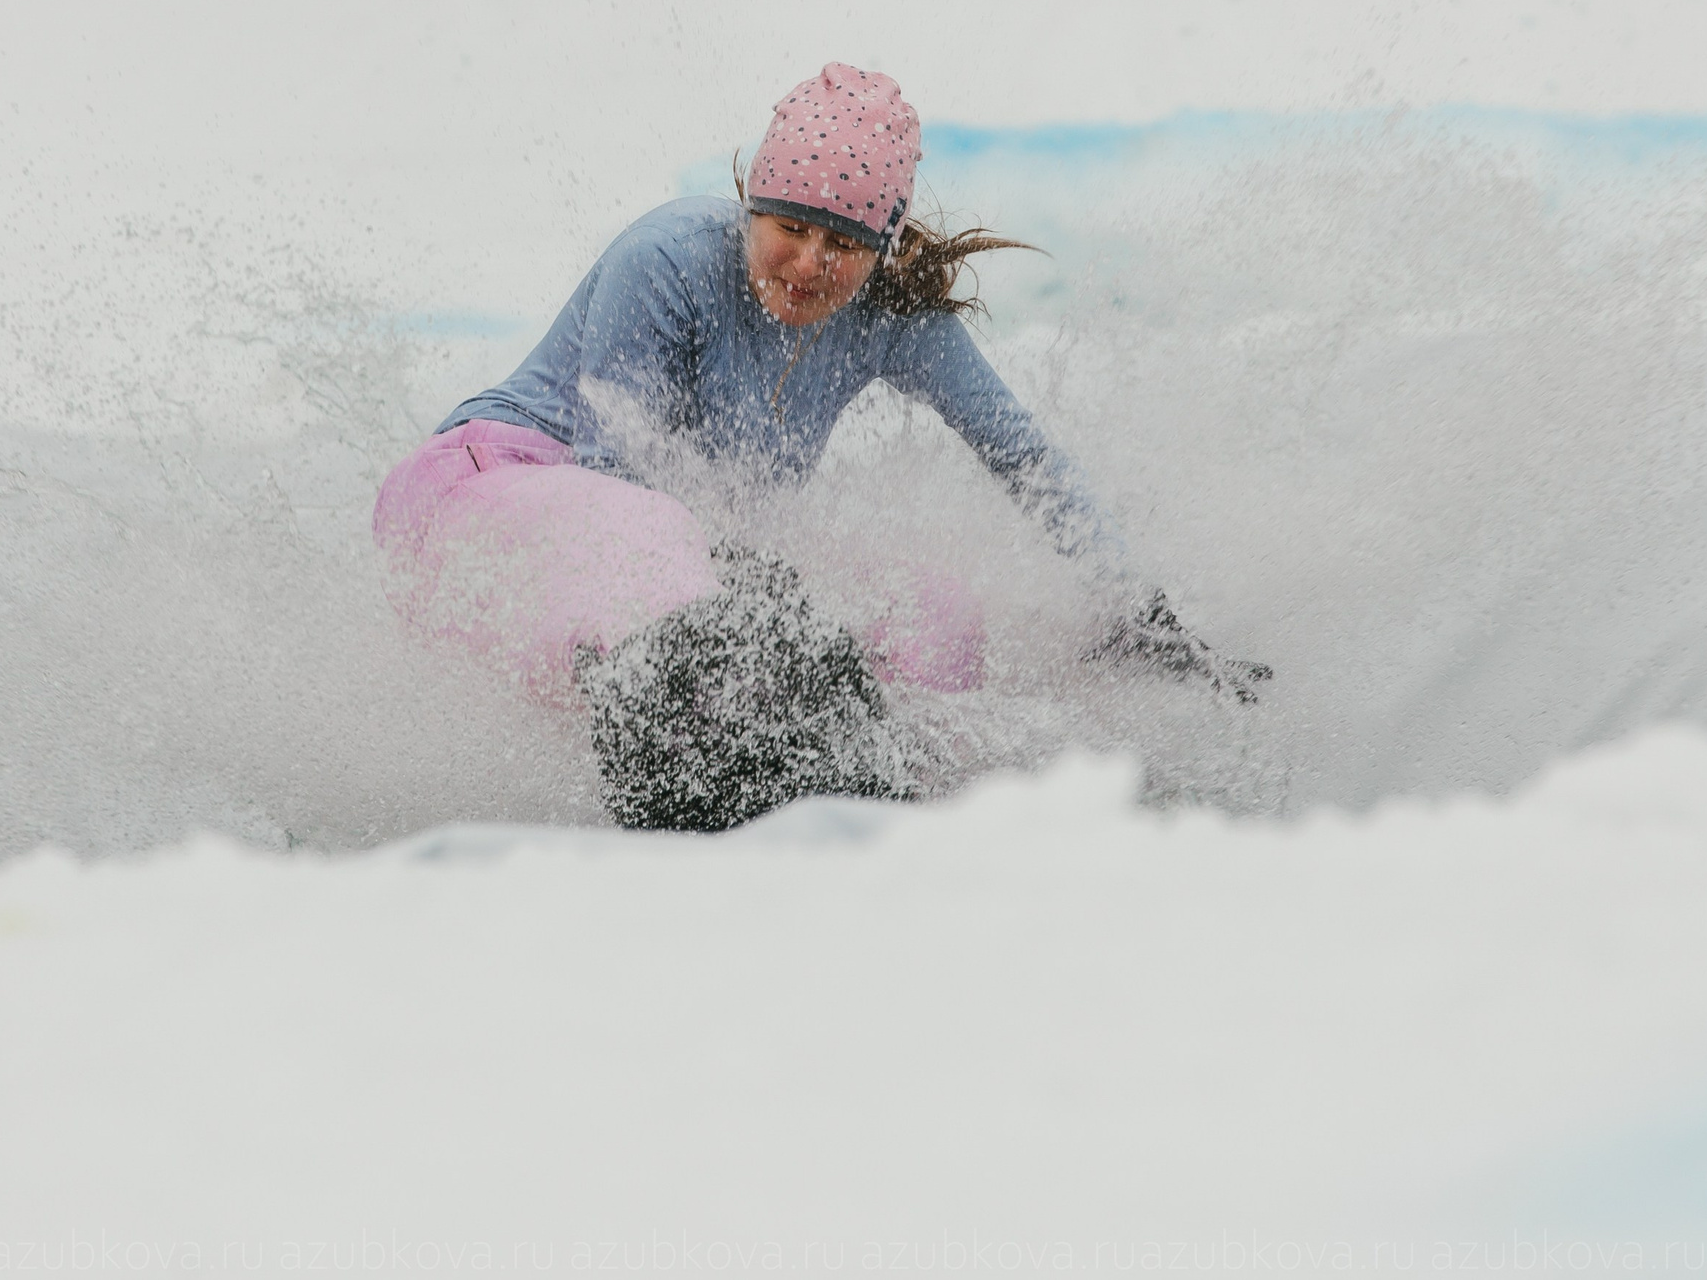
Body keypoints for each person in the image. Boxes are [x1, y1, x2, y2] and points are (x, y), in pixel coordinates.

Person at [372, 64, 1263, 831]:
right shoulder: (669, 258)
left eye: (841, 243)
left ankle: (882, 818)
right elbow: (615, 473)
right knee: (681, 565)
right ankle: (695, 804)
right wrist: (748, 595)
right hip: (481, 499)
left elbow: (1020, 453)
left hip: (662, 573)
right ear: (752, 206)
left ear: (882, 246)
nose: (806, 264)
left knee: (932, 613)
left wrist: (1134, 611)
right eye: (788, 228)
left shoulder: (892, 318)